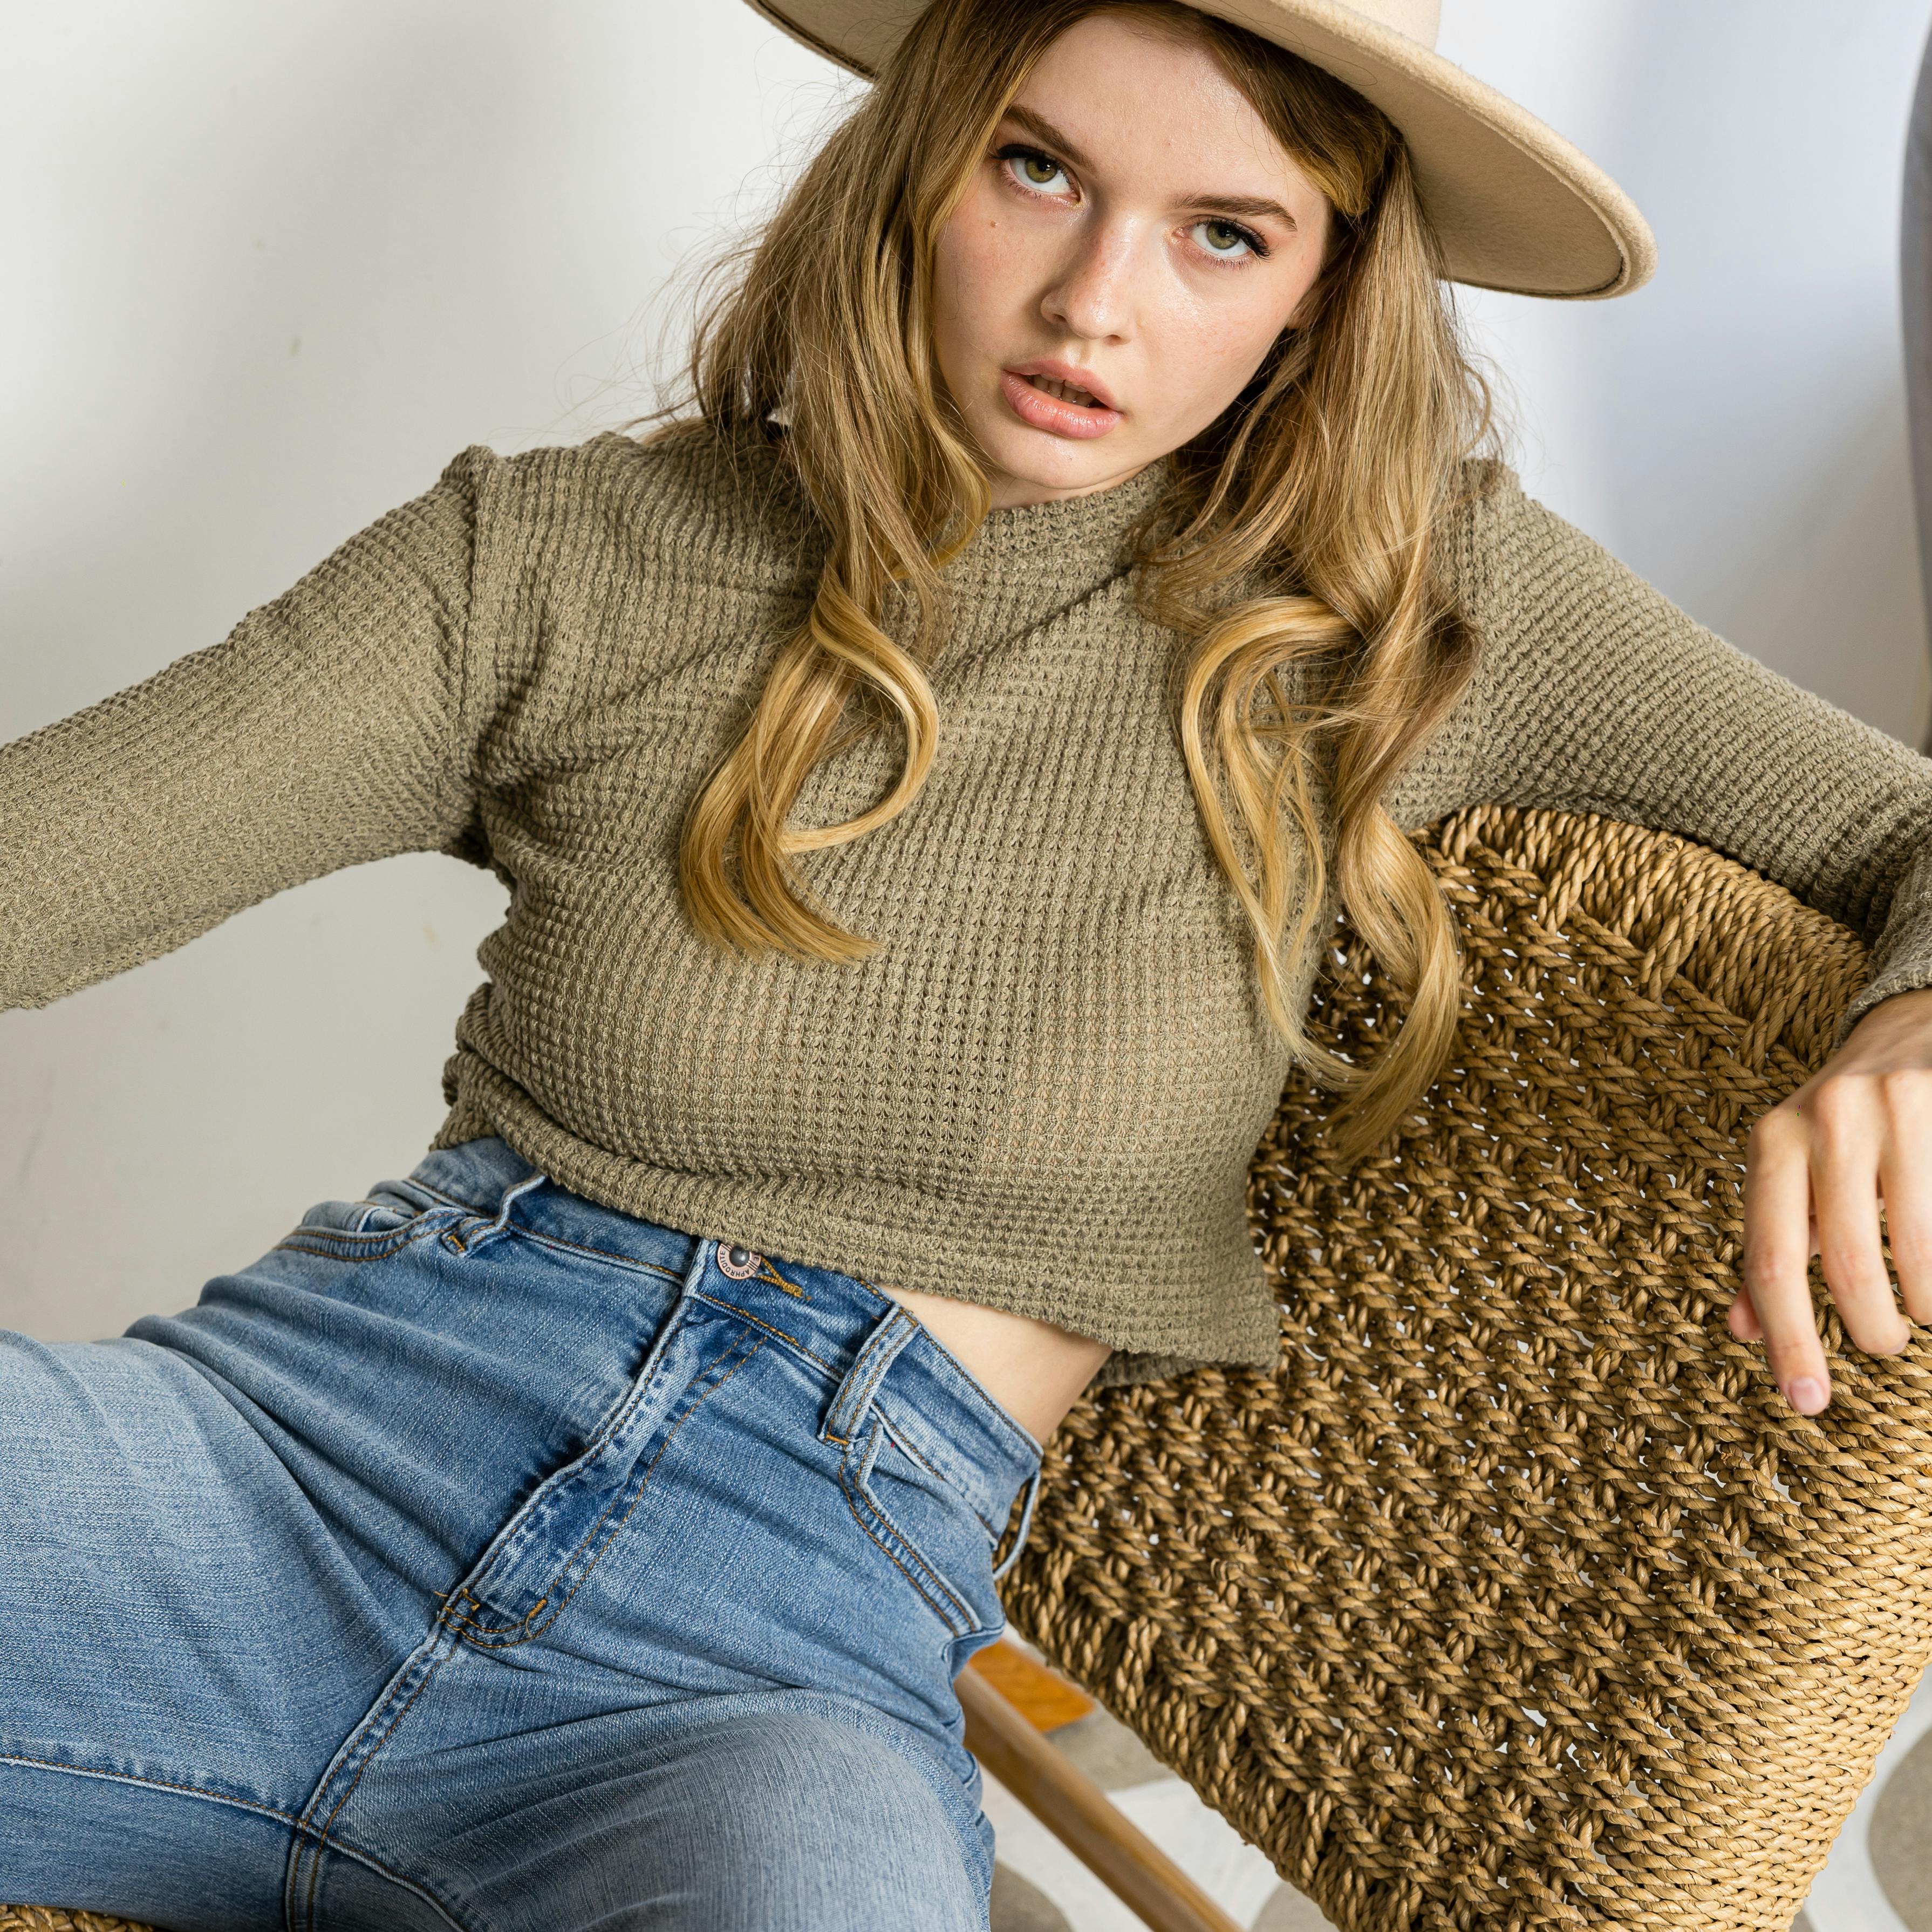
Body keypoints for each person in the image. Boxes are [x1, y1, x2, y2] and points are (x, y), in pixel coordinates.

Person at [5, 0, 1932, 1924]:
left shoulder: (1409, 598)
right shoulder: (559, 556)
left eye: (1223, 233)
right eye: (1039, 168)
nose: (1095, 301)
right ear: (920, 162)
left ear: (1320, 294)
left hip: (764, 1670)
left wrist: (1905, 1031)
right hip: (277, 1477)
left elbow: (1904, 828)